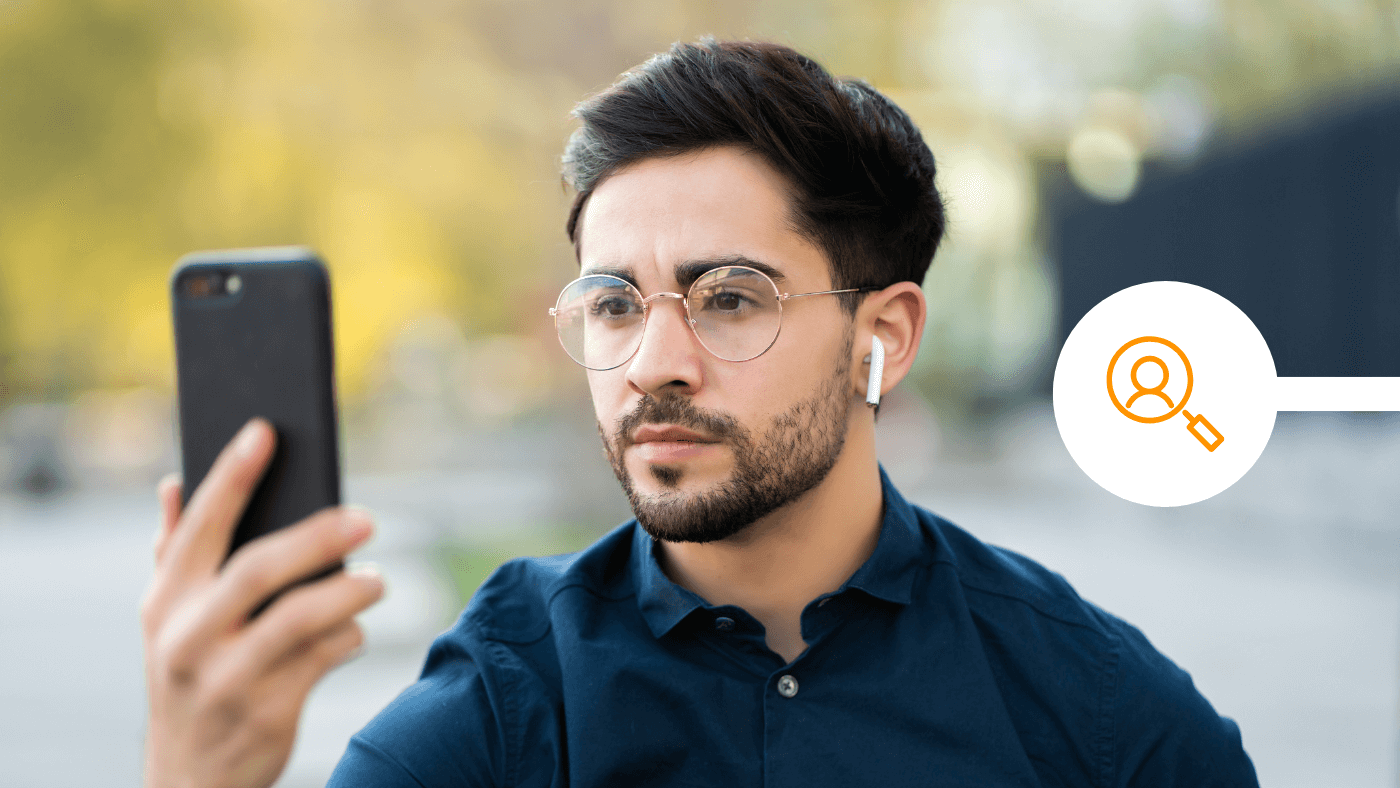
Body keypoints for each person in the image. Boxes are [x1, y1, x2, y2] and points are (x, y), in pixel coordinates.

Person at [141, 39, 1259, 788]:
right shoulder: (509, 699)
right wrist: (196, 769)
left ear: (886, 333)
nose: (651, 364)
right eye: (614, 304)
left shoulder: (1089, 710)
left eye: (729, 299)